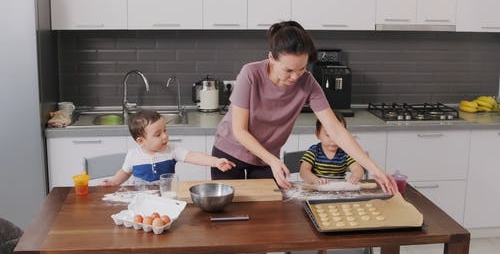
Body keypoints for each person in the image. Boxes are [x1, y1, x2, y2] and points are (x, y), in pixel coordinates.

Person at [211, 20, 397, 194]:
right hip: (229, 154)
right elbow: (239, 130)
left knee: (266, 212)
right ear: (271, 58)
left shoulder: (308, 83)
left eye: (301, 69)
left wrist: (374, 169)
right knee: (229, 212)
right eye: (289, 70)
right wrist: (273, 161)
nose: (295, 77)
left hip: (267, 158)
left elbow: (337, 131)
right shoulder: (250, 73)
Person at [103, 110, 235, 186]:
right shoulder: (133, 155)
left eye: (165, 130)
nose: (165, 136)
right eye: (158, 134)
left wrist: (216, 162)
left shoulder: (171, 150)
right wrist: (114, 181)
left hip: (167, 198)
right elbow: (125, 173)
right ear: (141, 141)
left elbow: (193, 156)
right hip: (141, 199)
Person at [299, 113, 365, 185]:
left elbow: (358, 169)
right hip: (318, 190)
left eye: (338, 135)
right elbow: (304, 171)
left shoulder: (345, 152)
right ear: (318, 134)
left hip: (339, 191)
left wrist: (356, 176)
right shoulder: (314, 151)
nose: (333, 139)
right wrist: (314, 179)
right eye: (328, 135)